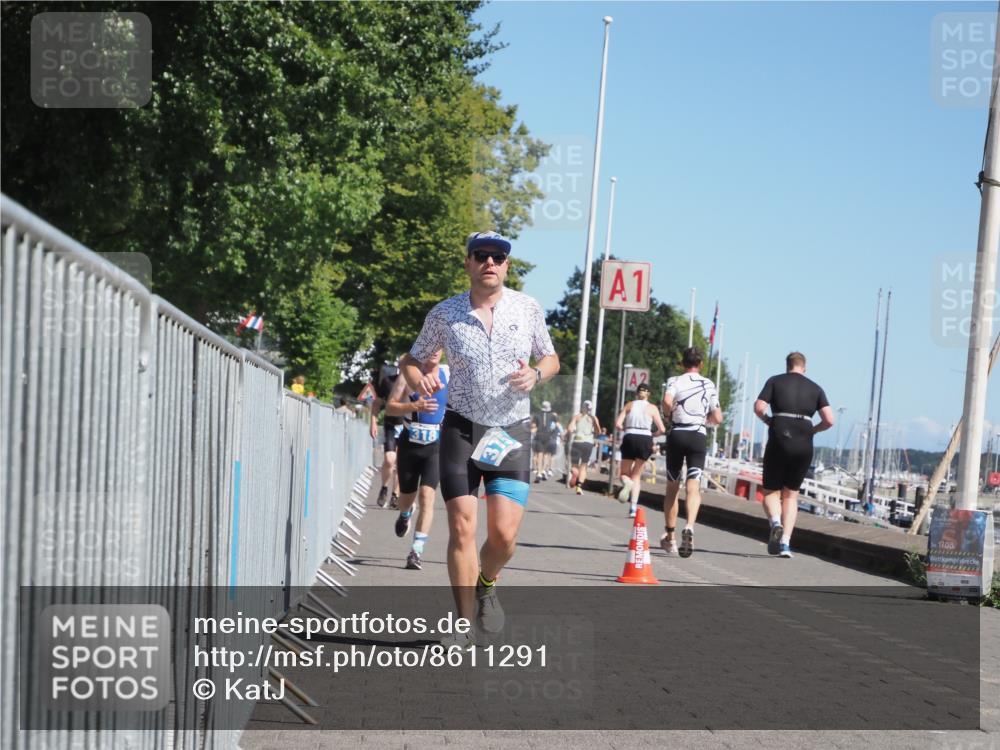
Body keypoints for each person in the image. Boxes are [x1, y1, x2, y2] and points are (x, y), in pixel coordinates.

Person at [400, 230, 559, 647]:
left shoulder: (527, 308)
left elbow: (551, 357)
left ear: (507, 265)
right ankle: (463, 623)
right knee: (462, 527)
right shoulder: (445, 314)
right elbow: (412, 359)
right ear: (468, 263)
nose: (490, 262)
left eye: (498, 257)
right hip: (461, 428)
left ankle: (487, 582)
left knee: (504, 537)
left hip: (511, 431)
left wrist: (537, 373)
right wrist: (422, 378)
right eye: (481, 255)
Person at [753, 352, 835, 558]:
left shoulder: (775, 381)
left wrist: (768, 420)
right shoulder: (816, 388)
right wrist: (814, 430)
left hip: (780, 436)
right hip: (804, 442)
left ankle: (775, 523)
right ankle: (786, 544)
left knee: (771, 491)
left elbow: (759, 407)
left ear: (787, 365)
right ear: (804, 367)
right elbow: (830, 420)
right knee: (791, 495)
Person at [385, 352, 449, 570]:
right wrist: (414, 407)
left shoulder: (449, 375)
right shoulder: (408, 375)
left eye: (438, 348)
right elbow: (390, 407)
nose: (433, 352)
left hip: (436, 446)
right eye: (429, 347)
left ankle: (416, 552)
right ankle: (405, 514)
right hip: (410, 444)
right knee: (407, 497)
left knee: (427, 496)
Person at [660, 347, 723, 558]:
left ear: (682, 363)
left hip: (677, 433)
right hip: (698, 435)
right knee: (693, 487)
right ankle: (690, 526)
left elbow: (667, 402)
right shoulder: (709, 384)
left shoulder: (674, 380)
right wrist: (706, 421)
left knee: (672, 487)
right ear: (701, 364)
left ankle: (670, 538)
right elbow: (718, 417)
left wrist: (669, 414)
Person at [614, 383, 666, 518]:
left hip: (630, 436)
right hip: (645, 439)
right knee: (636, 475)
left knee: (624, 473)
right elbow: (662, 429)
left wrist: (625, 429)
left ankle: (627, 482)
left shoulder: (629, 405)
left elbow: (618, 424)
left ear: (636, 393)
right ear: (649, 394)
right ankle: (633, 507)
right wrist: (654, 434)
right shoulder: (652, 408)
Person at [371, 361, 403, 509]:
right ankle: (384, 488)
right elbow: (377, 403)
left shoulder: (415, 384)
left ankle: (395, 495)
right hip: (391, 425)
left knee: (401, 464)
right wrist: (373, 421)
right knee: (390, 460)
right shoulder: (388, 382)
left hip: (407, 428)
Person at [565, 401, 601, 495]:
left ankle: (574, 473)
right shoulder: (593, 418)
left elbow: (570, 428)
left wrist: (572, 431)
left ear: (582, 407)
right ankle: (579, 486)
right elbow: (598, 432)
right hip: (588, 443)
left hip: (577, 441)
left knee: (574, 465)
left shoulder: (577, 416)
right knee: (584, 466)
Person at [534, 401, 559, 482]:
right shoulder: (553, 415)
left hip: (539, 435)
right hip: (548, 436)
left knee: (539, 454)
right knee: (546, 454)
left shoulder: (537, 415)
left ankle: (539, 472)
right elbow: (556, 425)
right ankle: (543, 470)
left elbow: (534, 426)